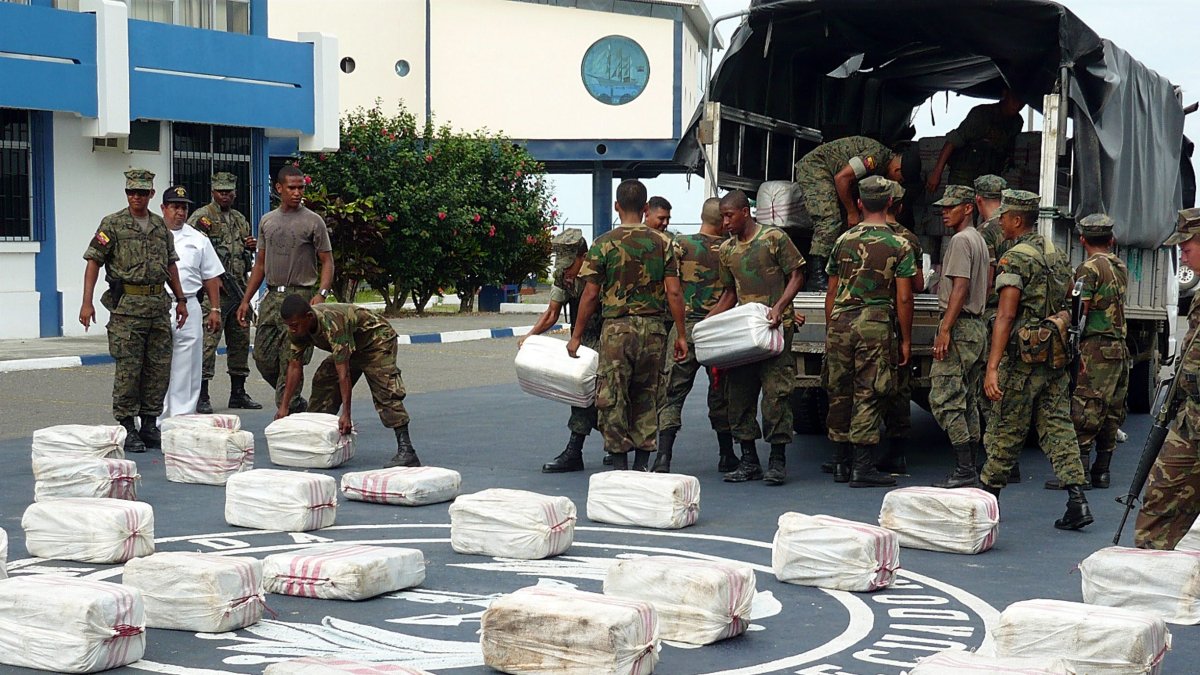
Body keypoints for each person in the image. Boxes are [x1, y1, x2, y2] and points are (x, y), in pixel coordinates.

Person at [980, 190, 1093, 530]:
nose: (1000, 221)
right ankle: (1078, 500)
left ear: (1017, 220)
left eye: (1004, 216)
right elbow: (1074, 301)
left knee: (1005, 429)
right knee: (1058, 427)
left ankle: (985, 504)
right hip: (1053, 357)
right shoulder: (1057, 256)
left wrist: (992, 366)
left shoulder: (1015, 259)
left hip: (1021, 360)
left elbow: (1005, 315)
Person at [566, 179, 688, 471]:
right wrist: (681, 335)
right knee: (647, 394)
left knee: (613, 395)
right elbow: (674, 292)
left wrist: (577, 336)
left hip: (617, 331)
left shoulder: (603, 243)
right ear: (646, 208)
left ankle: (619, 463)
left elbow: (590, 294)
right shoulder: (664, 243)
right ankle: (642, 464)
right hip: (654, 331)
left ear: (616, 206)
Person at [79, 168, 189, 453]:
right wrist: (87, 302)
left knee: (158, 369)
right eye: (131, 192)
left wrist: (181, 299)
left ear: (151, 194)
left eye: (142, 192)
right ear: (126, 193)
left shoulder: (158, 225)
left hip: (157, 307)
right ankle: (127, 425)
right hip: (127, 309)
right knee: (129, 370)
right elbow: (94, 261)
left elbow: (171, 265)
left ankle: (150, 423)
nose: (136, 197)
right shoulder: (113, 224)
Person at [707, 190, 806, 485]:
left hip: (775, 328)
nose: (725, 222)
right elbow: (729, 294)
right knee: (738, 395)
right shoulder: (726, 251)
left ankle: (777, 461)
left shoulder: (773, 238)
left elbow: (797, 274)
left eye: (729, 215)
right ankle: (749, 460)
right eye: (722, 216)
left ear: (745, 212)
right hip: (745, 331)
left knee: (776, 395)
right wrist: (706, 324)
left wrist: (779, 307)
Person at [823, 176, 914, 488]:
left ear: (859, 203)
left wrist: (830, 328)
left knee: (839, 390)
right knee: (870, 391)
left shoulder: (842, 240)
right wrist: (905, 339)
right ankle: (862, 466)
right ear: (890, 203)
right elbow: (904, 297)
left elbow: (831, 291)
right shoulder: (899, 244)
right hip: (875, 325)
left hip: (840, 323)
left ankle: (839, 462)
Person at [277, 296, 421, 467]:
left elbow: (343, 373)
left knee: (385, 389)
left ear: (309, 316)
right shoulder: (297, 329)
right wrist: (284, 407)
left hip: (376, 341)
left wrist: (346, 414)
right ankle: (319, 440)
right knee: (324, 380)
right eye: (289, 326)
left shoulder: (332, 324)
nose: (292, 330)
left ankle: (407, 450)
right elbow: (294, 367)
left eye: (294, 325)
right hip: (352, 346)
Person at [236, 165, 334, 413]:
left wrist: (320, 294)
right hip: (272, 298)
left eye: (301, 187)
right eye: (292, 187)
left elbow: (327, 262)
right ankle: (293, 400)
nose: (297, 192)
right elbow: (260, 264)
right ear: (279, 188)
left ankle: (287, 407)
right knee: (262, 357)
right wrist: (246, 300)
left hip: (301, 298)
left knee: (292, 359)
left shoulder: (313, 222)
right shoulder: (267, 221)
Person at [1044, 214, 1128, 490]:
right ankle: (1101, 471)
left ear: (1082, 239)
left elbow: (1082, 310)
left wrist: (1071, 340)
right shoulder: (1119, 266)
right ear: (1111, 239)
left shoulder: (1088, 269)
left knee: (1085, 406)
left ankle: (1076, 474)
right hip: (1118, 346)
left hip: (1096, 348)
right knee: (1111, 410)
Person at [654, 197, 734, 473]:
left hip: (683, 331)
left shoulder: (679, 245)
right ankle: (727, 455)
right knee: (721, 394)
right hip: (718, 332)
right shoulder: (730, 249)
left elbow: (666, 287)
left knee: (671, 393)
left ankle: (663, 457)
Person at [1135, 208, 1200, 548]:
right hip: (1192, 419)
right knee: (1159, 500)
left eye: (1187, 248)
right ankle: (1146, 584)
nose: (1183, 257)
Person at [521, 229, 604, 473]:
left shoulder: (601, 271)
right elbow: (552, 313)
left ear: (584, 256)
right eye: (563, 264)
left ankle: (614, 442)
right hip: (583, 340)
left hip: (608, 336)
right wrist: (531, 336)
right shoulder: (563, 275)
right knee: (581, 390)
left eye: (571, 263)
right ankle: (578, 450)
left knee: (606, 394)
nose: (567, 269)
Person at [927, 185, 990, 488]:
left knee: (945, 397)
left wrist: (945, 328)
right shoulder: (979, 239)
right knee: (969, 398)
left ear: (968, 208)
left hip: (962, 326)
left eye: (951, 207)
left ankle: (964, 466)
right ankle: (971, 465)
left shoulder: (960, 241)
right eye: (943, 207)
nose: (944, 212)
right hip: (976, 327)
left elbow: (960, 288)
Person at [792, 136, 912, 290]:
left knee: (843, 223)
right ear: (897, 170)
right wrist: (852, 212)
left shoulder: (882, 164)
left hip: (833, 174)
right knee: (830, 219)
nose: (897, 183)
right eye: (900, 179)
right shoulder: (876, 157)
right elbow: (841, 178)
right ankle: (816, 277)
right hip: (816, 168)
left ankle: (833, 271)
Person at [189, 171, 261, 413]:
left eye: (229, 191)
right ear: (213, 192)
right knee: (208, 344)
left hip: (238, 289)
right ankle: (202, 394)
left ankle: (238, 392)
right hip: (214, 293)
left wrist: (251, 246)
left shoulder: (240, 219)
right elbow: (192, 253)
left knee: (240, 342)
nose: (225, 195)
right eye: (221, 191)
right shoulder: (202, 218)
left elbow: (245, 258)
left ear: (235, 192)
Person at [159, 186, 223, 419]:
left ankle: (183, 415)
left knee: (188, 362)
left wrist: (215, 309)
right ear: (163, 208)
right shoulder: (152, 234)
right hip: (157, 304)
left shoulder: (198, 239)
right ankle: (154, 416)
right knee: (156, 362)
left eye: (184, 207)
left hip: (190, 304)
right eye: (175, 207)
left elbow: (211, 276)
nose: (180, 212)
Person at [973, 174, 1021, 482]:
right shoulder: (1017, 230)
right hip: (1015, 313)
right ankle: (1008, 458)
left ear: (978, 201)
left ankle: (998, 459)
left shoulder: (986, 232)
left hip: (992, 315)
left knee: (986, 387)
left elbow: (987, 278)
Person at [880, 182, 925, 473]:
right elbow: (915, 287)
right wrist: (907, 339)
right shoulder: (908, 239)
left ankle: (846, 457)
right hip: (892, 325)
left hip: (853, 324)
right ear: (898, 205)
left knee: (857, 388)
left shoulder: (848, 236)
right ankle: (896, 452)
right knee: (897, 389)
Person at [926, 89, 1024, 193]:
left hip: (989, 178)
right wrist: (936, 173)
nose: (1017, 105)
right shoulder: (982, 114)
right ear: (1005, 94)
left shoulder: (1017, 123)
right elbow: (952, 142)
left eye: (1022, 102)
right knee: (957, 207)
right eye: (1014, 99)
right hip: (964, 176)